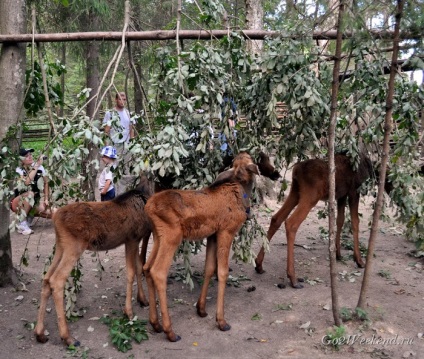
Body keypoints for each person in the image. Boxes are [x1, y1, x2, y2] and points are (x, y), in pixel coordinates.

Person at [10, 148, 52, 235]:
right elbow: (26, 182)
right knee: (30, 194)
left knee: (53, 213)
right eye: (26, 156)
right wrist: (36, 166)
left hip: (33, 203)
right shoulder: (18, 170)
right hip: (18, 204)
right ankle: (22, 223)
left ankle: (29, 216)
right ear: (21, 160)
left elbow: (46, 183)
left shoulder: (40, 167)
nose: (30, 157)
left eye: (30, 155)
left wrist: (46, 199)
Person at [102, 92, 135, 195]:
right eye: (120, 99)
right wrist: (107, 148)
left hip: (127, 145)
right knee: (114, 170)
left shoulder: (128, 113)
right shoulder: (110, 113)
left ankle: (125, 193)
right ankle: (115, 194)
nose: (123, 101)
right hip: (115, 145)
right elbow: (106, 131)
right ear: (116, 100)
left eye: (124, 99)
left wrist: (132, 143)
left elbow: (131, 129)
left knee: (126, 169)